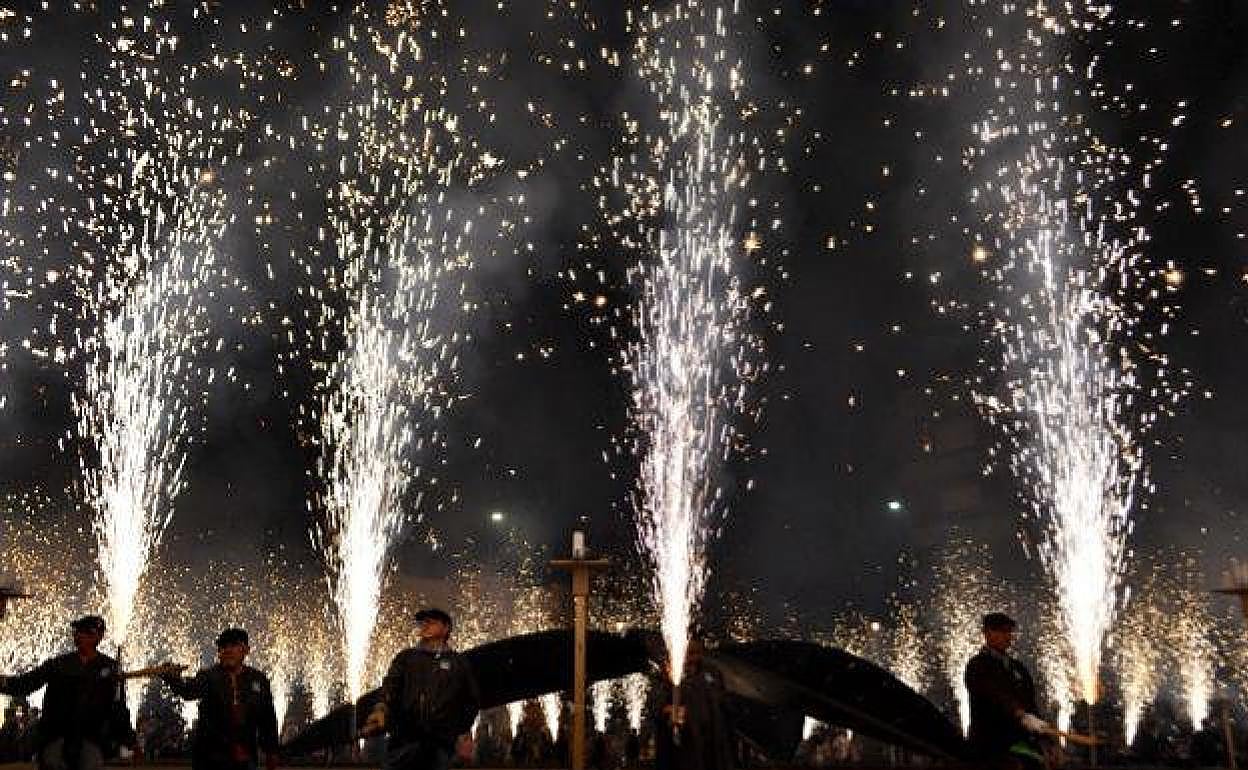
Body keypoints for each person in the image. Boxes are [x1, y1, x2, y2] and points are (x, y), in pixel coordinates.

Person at [0, 615, 135, 770]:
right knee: (54, 762)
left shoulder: (111, 669)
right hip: (57, 736)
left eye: (81, 632)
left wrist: (128, 740)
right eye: (76, 631)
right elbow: (25, 683)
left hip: (90, 738)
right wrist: (3, 683)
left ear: (95, 636)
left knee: (90, 763)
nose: (76, 635)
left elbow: (118, 709)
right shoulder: (58, 665)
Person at [363, 607, 480, 770]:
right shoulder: (406, 657)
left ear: (446, 628)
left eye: (431, 622)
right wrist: (381, 708)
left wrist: (459, 731)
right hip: (405, 740)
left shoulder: (458, 663)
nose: (425, 625)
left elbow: (471, 700)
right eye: (423, 622)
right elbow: (390, 685)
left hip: (441, 744)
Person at [160, 627, 279, 770]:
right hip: (211, 759)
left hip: (245, 759)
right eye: (223, 647)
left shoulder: (258, 680)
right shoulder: (208, 677)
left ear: (246, 650)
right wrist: (172, 677)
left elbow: (268, 719)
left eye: (233, 645)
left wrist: (271, 752)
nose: (227, 650)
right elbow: (188, 691)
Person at [964, 612, 1049, 769]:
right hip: (990, 746)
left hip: (1021, 743)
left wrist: (1042, 733)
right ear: (987, 633)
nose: (1008, 637)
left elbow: (1030, 702)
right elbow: (993, 694)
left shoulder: (1018, 668)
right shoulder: (977, 666)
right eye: (1002, 631)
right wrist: (1020, 714)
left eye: (1009, 632)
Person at [654, 640, 734, 770]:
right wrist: (669, 712)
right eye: (689, 652)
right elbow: (658, 706)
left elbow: (719, 703)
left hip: (709, 745)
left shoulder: (711, 673)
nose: (691, 657)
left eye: (695, 652)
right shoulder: (668, 675)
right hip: (684, 748)